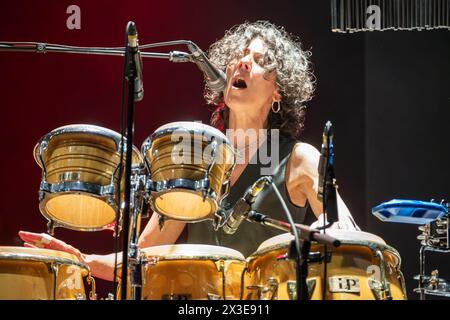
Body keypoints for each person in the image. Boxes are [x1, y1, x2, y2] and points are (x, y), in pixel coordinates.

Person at [19, 21, 359, 282]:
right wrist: (81, 260)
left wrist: (335, 230)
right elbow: (145, 255)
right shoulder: (195, 155)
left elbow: (345, 227)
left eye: (258, 61)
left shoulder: (298, 158)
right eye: (239, 56)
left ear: (278, 94)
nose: (242, 63)